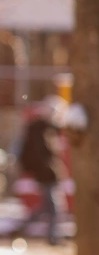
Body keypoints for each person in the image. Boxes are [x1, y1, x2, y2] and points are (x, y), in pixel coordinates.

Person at [11, 103, 62, 246]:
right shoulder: (41, 130)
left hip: (47, 173)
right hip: (46, 174)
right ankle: (52, 238)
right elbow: (41, 156)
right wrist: (45, 170)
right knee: (53, 208)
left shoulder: (45, 130)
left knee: (45, 208)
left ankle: (21, 229)